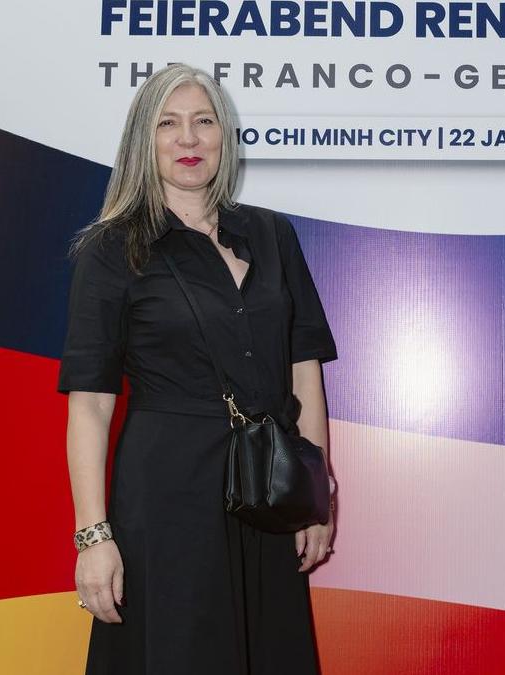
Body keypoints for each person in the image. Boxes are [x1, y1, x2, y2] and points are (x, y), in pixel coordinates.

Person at [59, 63, 338, 674]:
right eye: (168, 123)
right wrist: (93, 536)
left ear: (223, 135)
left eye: (203, 121)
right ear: (144, 139)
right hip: (167, 494)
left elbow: (304, 368)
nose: (188, 138)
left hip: (269, 489)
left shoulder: (272, 234)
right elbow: (91, 405)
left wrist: (314, 498)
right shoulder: (111, 249)